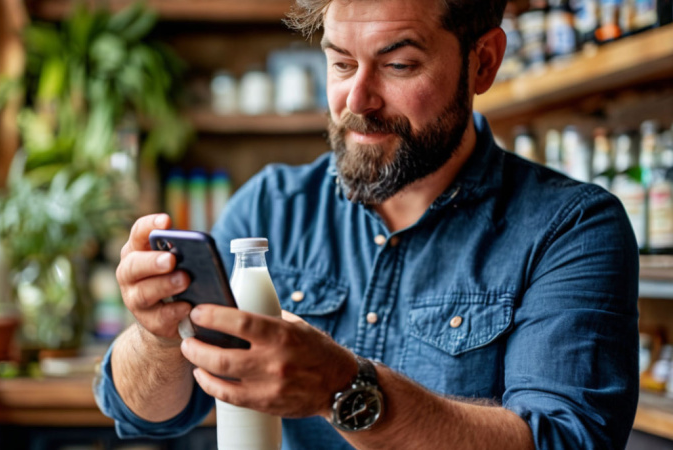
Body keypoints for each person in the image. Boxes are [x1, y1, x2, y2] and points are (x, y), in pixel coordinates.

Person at [94, 0, 640, 448]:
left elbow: (568, 441)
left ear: (483, 63)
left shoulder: (571, 228)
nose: (356, 99)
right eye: (340, 63)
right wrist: (157, 336)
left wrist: (344, 389)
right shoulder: (270, 207)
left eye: (398, 65)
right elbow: (146, 415)